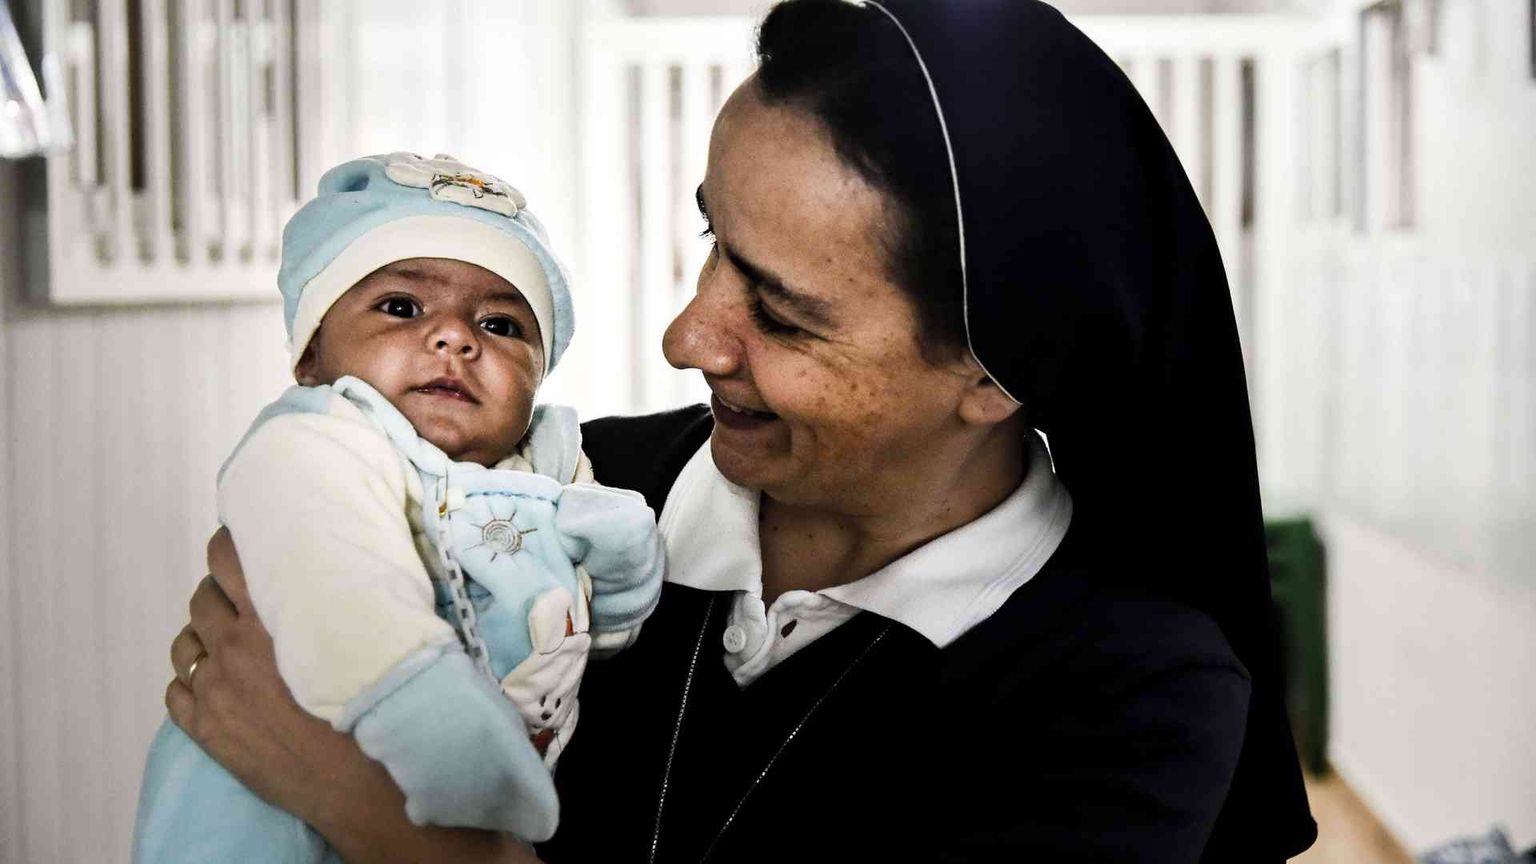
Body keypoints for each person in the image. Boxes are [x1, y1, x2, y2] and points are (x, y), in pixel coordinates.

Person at [161, 1, 1319, 861]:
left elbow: (299, 728)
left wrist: (377, 813)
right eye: (712, 238)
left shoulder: (1134, 696)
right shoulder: (566, 484)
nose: (687, 336)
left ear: (992, 374)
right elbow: (242, 640)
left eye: (780, 311)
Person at [135, 152, 665, 863]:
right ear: (312, 358)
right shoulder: (312, 446)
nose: (456, 339)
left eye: (501, 325)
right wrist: (445, 738)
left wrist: (617, 577)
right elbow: (352, 606)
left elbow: (598, 596)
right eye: (402, 308)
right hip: (260, 818)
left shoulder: (545, 473)